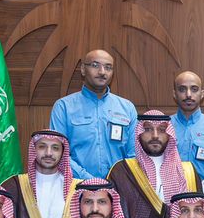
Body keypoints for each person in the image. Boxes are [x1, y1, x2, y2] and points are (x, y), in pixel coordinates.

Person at [49, 49, 138, 181]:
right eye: (95, 65)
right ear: (83, 69)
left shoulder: (127, 108)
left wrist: (118, 180)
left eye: (108, 67)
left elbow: (133, 154)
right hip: (76, 184)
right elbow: (59, 152)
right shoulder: (64, 107)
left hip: (118, 185)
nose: (102, 72)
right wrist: (90, 180)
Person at [108, 111, 198, 218]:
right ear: (139, 134)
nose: (155, 136)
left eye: (161, 130)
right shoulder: (122, 171)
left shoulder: (188, 172)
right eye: (148, 129)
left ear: (169, 135)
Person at [3, 130, 75, 218]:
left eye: (55, 148)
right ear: (34, 149)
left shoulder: (76, 189)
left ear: (63, 153)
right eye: (42, 147)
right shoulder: (14, 186)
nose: (48, 153)